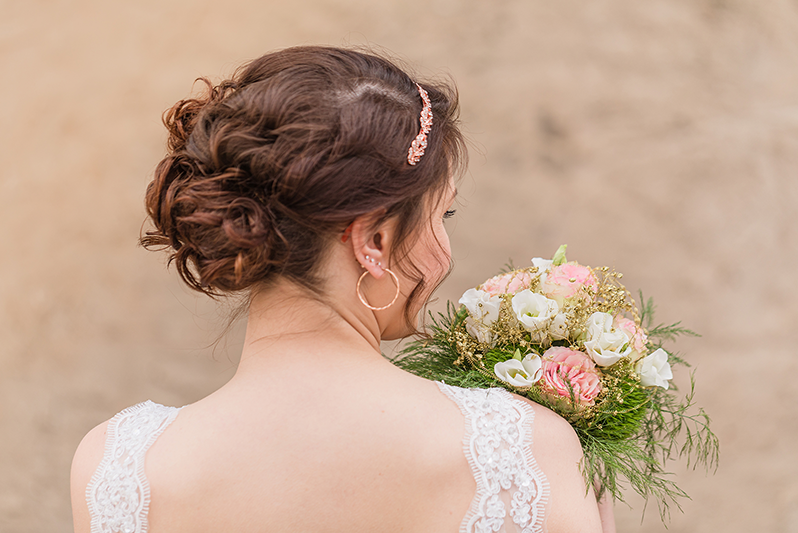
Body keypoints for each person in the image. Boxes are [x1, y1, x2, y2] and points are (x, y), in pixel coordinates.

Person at [70, 46, 613, 533]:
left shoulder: (117, 467)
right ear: (373, 239)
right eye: (440, 215)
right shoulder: (521, 450)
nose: (445, 246)